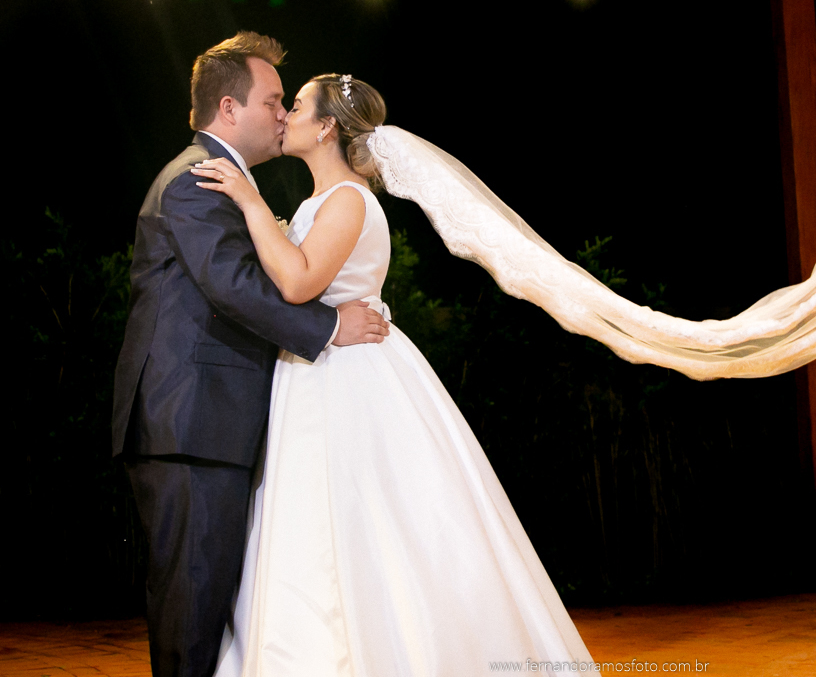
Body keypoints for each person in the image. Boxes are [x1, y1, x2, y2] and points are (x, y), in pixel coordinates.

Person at [195, 74, 594, 676]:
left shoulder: (350, 199)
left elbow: (300, 283)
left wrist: (251, 205)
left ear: (327, 126)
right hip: (318, 369)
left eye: (296, 106)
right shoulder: (320, 202)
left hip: (348, 378)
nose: (285, 116)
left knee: (364, 522)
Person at [112, 33, 390, 677]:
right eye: (272, 101)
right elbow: (236, 287)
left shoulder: (227, 182)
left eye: (290, 104)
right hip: (190, 423)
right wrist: (328, 329)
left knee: (211, 602)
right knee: (192, 603)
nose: (282, 115)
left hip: (212, 424)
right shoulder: (195, 181)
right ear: (230, 109)